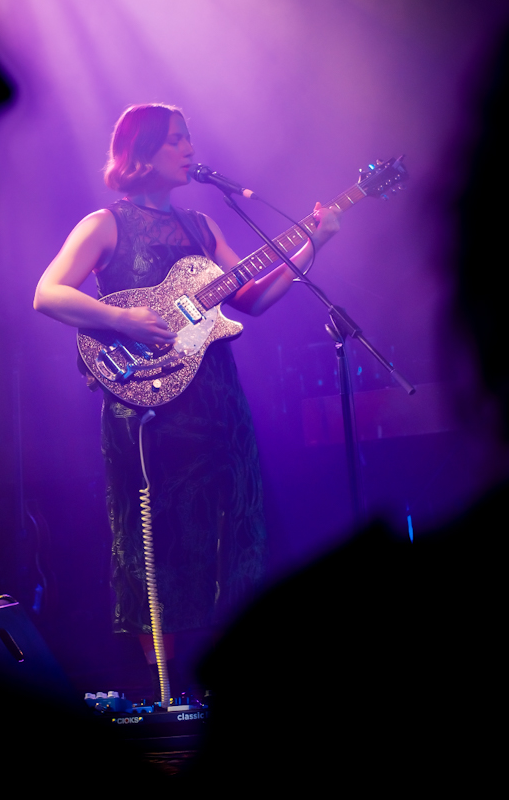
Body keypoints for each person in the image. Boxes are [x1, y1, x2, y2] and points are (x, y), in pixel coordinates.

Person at [34, 103, 340, 693]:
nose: (190, 148)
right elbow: (47, 293)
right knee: (156, 543)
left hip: (218, 403)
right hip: (148, 408)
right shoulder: (104, 224)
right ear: (142, 152)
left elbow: (251, 298)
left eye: (189, 138)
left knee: (236, 531)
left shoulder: (203, 227)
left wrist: (313, 245)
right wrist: (120, 318)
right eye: (176, 139)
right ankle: (166, 691)